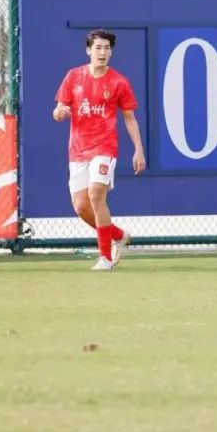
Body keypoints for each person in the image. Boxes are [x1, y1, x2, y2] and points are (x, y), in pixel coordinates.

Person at [53, 29, 145, 271]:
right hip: (77, 150)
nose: (102, 52)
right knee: (81, 207)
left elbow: (129, 118)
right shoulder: (73, 77)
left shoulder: (118, 82)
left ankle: (105, 257)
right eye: (98, 48)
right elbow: (59, 109)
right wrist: (60, 113)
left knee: (96, 195)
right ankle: (119, 235)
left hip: (105, 147)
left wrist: (138, 149)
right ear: (88, 50)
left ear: (111, 52)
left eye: (107, 48)